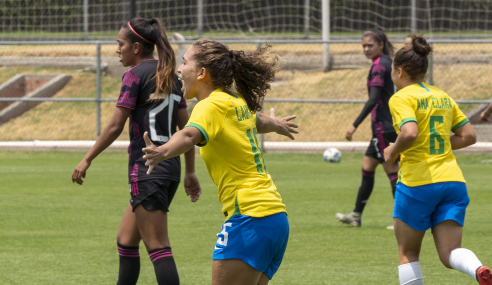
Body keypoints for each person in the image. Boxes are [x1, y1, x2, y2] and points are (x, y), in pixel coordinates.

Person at [142, 39, 298, 285]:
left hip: (249, 217)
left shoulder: (210, 105)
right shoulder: (235, 102)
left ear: (202, 73)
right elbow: (259, 121)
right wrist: (277, 125)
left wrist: (162, 151)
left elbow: (188, 134)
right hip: (274, 218)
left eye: (184, 63)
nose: (179, 70)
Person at [71, 17, 201, 285]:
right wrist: (189, 172)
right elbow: (187, 129)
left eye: (120, 44)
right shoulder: (172, 77)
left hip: (147, 169)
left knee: (158, 246)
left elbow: (114, 127)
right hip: (170, 169)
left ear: (137, 48)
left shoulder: (134, 75)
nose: (117, 49)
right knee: (126, 240)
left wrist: (87, 159)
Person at [384, 34, 491, 285]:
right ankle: (478, 269)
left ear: (399, 71)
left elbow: (409, 132)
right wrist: (439, 145)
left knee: (408, 253)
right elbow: (468, 136)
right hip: (453, 182)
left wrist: (393, 151)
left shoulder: (400, 97)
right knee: (450, 252)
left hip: (418, 183)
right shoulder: (442, 96)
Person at [336, 27, 400, 229]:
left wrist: (353, 125)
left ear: (381, 44)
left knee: (393, 173)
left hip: (383, 127)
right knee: (367, 168)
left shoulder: (380, 65)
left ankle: (402, 221)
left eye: (370, 45)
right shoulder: (385, 62)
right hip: (381, 127)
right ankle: (356, 215)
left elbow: (373, 99)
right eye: (363, 45)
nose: (365, 49)